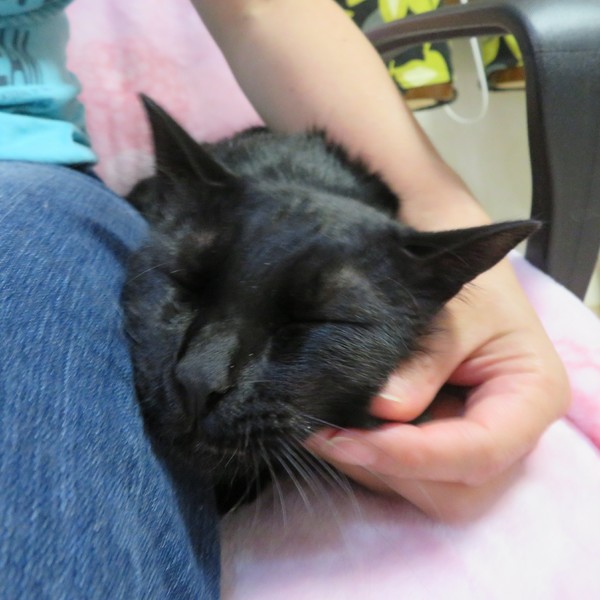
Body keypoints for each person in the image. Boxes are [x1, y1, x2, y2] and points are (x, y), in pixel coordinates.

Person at [0, 0, 569, 597]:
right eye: (187, 286)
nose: (201, 377)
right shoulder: (175, 220)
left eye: (312, 320)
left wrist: (443, 208)